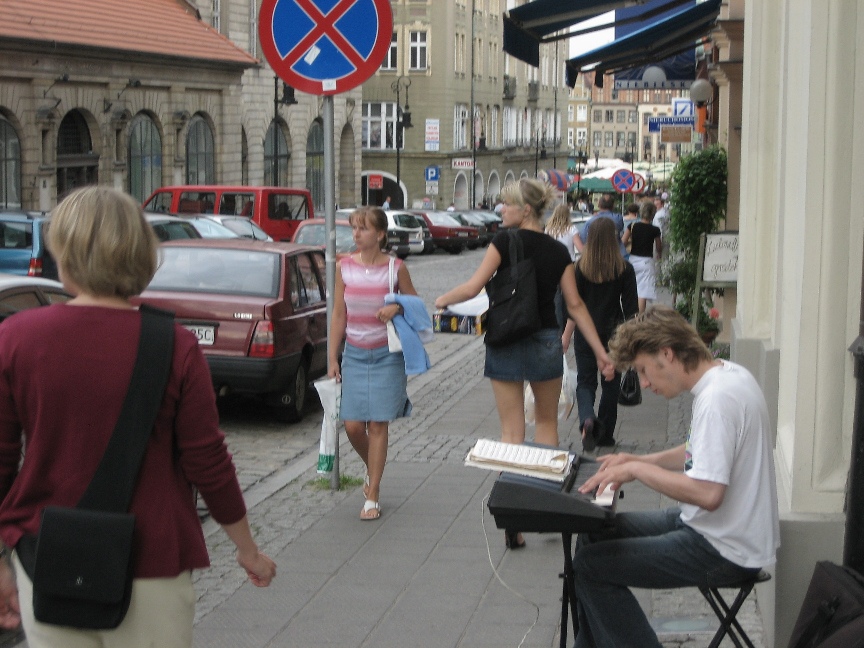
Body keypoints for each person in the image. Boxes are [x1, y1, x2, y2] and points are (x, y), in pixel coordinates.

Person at [0, 186, 276, 646]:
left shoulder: (16, 339)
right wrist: (246, 549)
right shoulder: (174, 345)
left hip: (48, 559)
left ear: (65, 253)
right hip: (153, 564)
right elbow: (207, 461)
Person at [571, 305, 780, 648]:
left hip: (725, 549)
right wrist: (635, 458)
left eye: (643, 370)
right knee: (593, 533)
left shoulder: (717, 399)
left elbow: (708, 493)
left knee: (592, 567)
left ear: (666, 353)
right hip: (717, 531)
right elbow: (697, 451)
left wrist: (637, 470)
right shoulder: (727, 375)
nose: (646, 383)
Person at [435, 179, 614, 550]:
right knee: (547, 424)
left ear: (526, 210)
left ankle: (512, 518)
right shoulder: (558, 251)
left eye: (507, 204)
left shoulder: (504, 243)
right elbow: (575, 306)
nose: (502, 209)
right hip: (546, 340)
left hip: (504, 340)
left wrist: (440, 300)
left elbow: (472, 288)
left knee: (511, 433)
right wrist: (600, 352)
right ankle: (543, 507)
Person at [328, 207, 418, 521]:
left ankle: (373, 493)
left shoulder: (396, 268)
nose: (356, 234)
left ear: (379, 234)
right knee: (352, 425)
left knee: (378, 423)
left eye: (363, 229)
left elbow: (416, 306)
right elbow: (339, 315)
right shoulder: (345, 268)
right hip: (354, 353)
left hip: (386, 355)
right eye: (354, 228)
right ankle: (374, 466)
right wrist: (332, 358)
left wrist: (396, 307)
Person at [562, 217, 637, 450]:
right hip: (614, 332)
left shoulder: (579, 270)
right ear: (615, 239)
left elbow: (573, 308)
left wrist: (565, 336)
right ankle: (604, 433)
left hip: (586, 333)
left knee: (585, 382)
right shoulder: (624, 269)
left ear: (589, 238)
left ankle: (587, 419)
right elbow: (632, 310)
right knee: (611, 383)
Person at [545, 203, 581, 330]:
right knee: (569, 296)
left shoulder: (548, 229)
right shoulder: (572, 229)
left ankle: (557, 326)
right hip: (568, 265)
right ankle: (569, 325)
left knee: (555, 298)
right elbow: (580, 248)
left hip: (551, 265)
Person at [622, 200, 662, 313]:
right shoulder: (655, 230)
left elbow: (623, 242)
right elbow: (659, 246)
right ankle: (639, 317)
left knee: (632, 288)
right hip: (646, 262)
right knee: (642, 292)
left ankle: (629, 312)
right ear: (653, 214)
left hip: (632, 260)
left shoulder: (633, 226)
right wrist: (659, 254)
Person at [575, 193, 625, 258]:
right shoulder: (618, 218)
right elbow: (621, 229)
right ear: (613, 206)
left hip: (597, 256)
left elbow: (584, 238)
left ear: (599, 205)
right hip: (617, 255)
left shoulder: (590, 222)